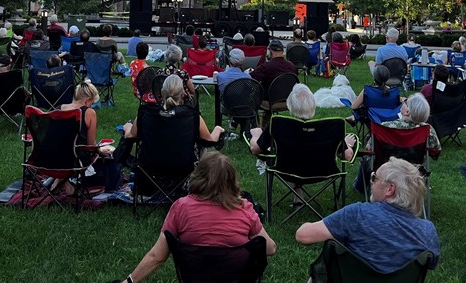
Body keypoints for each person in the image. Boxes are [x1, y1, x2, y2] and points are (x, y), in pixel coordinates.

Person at [122, 151, 276, 283]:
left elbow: (156, 256)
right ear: (231, 180)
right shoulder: (245, 208)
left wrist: (128, 281)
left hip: (195, 277)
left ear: (198, 176)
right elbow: (269, 248)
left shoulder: (180, 207)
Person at [295, 157, 439, 274]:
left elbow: (303, 236)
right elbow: (431, 264)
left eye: (374, 177)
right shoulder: (428, 231)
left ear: (390, 189)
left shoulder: (357, 214)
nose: (371, 182)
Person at [249, 83, 356, 159]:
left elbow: (255, 149)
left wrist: (256, 134)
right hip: (322, 172)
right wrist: (347, 144)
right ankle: (297, 188)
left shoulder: (277, 124)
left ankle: (296, 188)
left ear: (290, 106)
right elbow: (347, 156)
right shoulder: (331, 127)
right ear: (313, 105)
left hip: (286, 170)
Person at [123, 75, 222, 141]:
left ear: (161, 92)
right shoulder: (193, 116)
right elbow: (209, 141)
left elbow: (130, 136)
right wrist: (218, 129)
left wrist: (127, 127)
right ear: (183, 94)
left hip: (149, 167)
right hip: (184, 167)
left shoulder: (145, 113)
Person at [376, 94, 441, 157]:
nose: (403, 102)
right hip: (413, 167)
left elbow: (370, 148)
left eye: (406, 102)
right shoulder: (428, 130)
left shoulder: (384, 127)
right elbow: (436, 151)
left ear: (407, 112)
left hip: (388, 166)